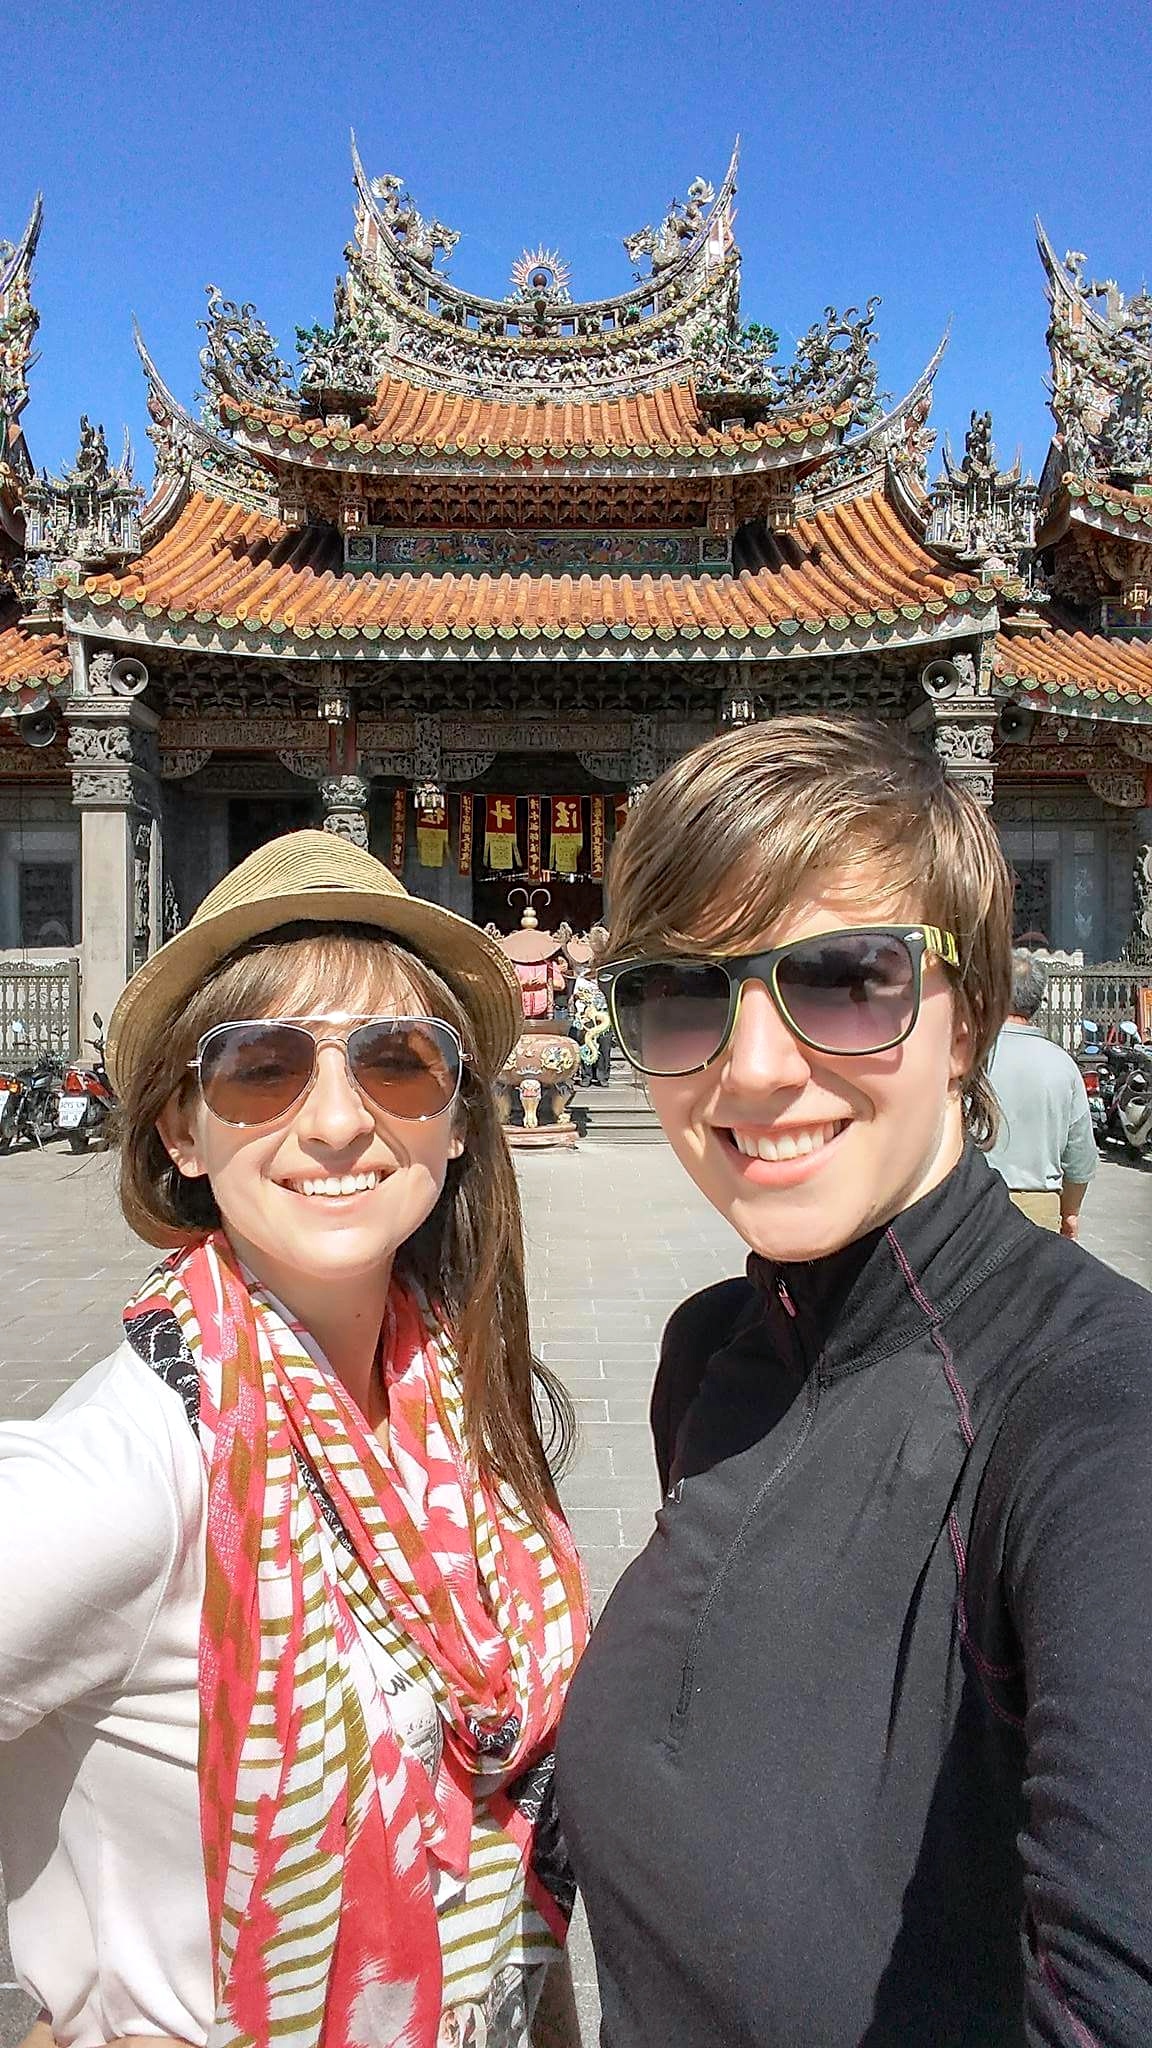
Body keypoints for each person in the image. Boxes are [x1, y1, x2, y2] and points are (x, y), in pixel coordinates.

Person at [554, 715, 1152, 2046]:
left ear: (967, 1017)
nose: (754, 1067)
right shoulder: (711, 1355)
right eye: (682, 990)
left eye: (845, 978)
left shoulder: (1097, 1414)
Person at [0, 831, 589, 2048]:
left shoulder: (461, 1403)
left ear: (458, 1120)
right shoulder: (132, 1471)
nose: (334, 1122)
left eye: (398, 1061)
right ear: (181, 1130)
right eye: (261, 1067)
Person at [986, 949, 1098, 1235]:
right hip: (1039, 1209)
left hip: (974, 1205)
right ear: (1038, 1001)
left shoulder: (969, 1058)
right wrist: (1070, 1212)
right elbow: (1080, 1155)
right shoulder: (1063, 1065)